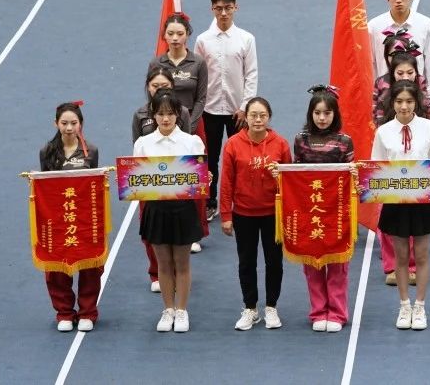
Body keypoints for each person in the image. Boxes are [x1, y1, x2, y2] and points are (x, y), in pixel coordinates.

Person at [372, 80, 430, 331]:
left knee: (422, 255)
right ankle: (404, 306)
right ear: (392, 103)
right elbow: (376, 168)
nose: (404, 106)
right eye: (399, 101)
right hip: (396, 202)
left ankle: (420, 307)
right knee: (402, 256)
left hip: (422, 201)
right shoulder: (383, 132)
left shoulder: (429, 128)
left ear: (416, 102)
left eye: (408, 101)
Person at [134, 89, 205, 332]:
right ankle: (168, 310)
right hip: (156, 210)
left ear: (178, 115)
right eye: (160, 113)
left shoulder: (192, 142)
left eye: (170, 113)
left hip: (183, 209)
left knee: (182, 263)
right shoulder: (143, 144)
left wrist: (205, 178)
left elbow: (199, 177)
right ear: (153, 115)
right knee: (163, 263)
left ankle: (182, 310)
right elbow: (137, 179)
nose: (165, 119)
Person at [220, 96, 291, 331]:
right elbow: (226, 182)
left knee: (274, 262)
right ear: (246, 117)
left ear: (269, 117)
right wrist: (226, 215)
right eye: (253, 115)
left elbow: (290, 181)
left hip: (273, 214)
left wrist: (278, 178)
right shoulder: (233, 144)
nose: (258, 120)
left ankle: (271, 306)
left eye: (262, 115)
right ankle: (250, 308)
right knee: (246, 262)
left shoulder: (280, 144)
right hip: (243, 213)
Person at [290, 86, 355, 332]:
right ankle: (318, 311)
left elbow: (352, 176)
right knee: (313, 263)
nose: (322, 118)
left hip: (337, 211)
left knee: (337, 263)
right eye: (317, 113)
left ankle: (337, 313)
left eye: (327, 113)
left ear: (335, 114)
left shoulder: (344, 142)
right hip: (310, 210)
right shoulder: (301, 140)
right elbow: (296, 173)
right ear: (311, 114)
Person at [195, 0, 258, 222]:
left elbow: (251, 74)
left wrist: (245, 107)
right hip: (209, 110)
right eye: (219, 8)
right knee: (210, 159)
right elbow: (198, 75)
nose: (223, 13)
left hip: (237, 112)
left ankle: (240, 200)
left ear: (236, 8)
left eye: (228, 8)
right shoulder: (202, 40)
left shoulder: (246, 39)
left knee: (241, 158)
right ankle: (210, 202)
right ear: (212, 8)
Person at [39, 102, 102, 332]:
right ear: (56, 123)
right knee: (56, 265)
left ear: (80, 124)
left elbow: (93, 184)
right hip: (57, 219)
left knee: (90, 265)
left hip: (83, 218)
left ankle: (87, 312)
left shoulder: (90, 151)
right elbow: (45, 187)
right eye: (64, 123)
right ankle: (64, 312)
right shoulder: (47, 151)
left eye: (73, 123)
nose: (68, 128)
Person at [150, 12, 209, 253]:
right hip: (164, 125)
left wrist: (188, 126)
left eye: (180, 34)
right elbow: (151, 96)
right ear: (164, 36)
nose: (175, 38)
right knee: (166, 175)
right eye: (170, 33)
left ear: (187, 35)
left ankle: (195, 231)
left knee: (194, 179)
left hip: (192, 126)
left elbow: (201, 98)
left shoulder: (198, 63)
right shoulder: (157, 64)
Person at [372, 43, 429, 287]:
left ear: (417, 73)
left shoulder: (425, 98)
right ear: (391, 72)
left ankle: (412, 266)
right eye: (400, 72)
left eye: (410, 72)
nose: (405, 76)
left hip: (417, 167)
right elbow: (378, 125)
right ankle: (392, 266)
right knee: (389, 220)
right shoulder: (384, 96)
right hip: (392, 166)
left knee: (416, 222)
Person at [135, 66, 182, 293]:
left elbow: (191, 156)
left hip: (178, 191)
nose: (165, 118)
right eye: (155, 85)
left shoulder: (182, 115)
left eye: (164, 85)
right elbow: (135, 160)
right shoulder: (139, 116)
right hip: (152, 190)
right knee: (152, 233)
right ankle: (156, 272)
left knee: (177, 237)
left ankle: (177, 273)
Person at [368, 0, 430, 104]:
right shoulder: (374, 27)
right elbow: (371, 63)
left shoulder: (426, 25)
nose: (398, 0)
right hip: (385, 98)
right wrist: (375, 96)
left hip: (416, 98)